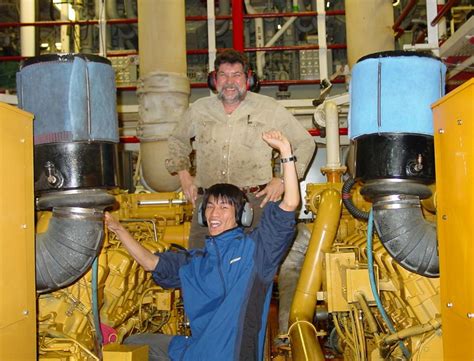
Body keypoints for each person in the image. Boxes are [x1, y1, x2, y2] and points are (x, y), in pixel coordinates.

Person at [105, 130, 300, 361]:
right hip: (195, 351)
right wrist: (118, 229)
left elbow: (290, 203)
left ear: (242, 215)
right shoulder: (196, 261)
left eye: (224, 207)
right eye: (209, 207)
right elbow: (150, 262)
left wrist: (285, 152)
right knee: (133, 343)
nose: (214, 213)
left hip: (233, 356)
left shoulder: (256, 250)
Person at [165, 49, 315, 248]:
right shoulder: (200, 109)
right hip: (209, 204)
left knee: (255, 267)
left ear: (248, 79)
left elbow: (305, 143)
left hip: (254, 203)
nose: (229, 82)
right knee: (199, 263)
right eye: (223, 75)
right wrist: (184, 177)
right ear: (214, 79)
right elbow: (177, 140)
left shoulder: (269, 109)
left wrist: (283, 180)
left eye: (236, 75)